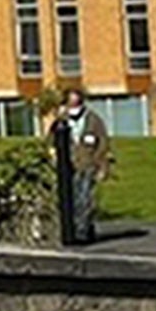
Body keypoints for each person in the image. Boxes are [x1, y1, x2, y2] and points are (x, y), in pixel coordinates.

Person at [52, 90, 111, 245]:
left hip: (87, 165)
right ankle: (77, 229)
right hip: (67, 168)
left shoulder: (94, 120)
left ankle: (82, 232)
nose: (73, 107)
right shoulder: (61, 121)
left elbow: (103, 143)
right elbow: (51, 141)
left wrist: (102, 166)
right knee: (70, 200)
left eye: (76, 103)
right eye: (70, 103)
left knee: (84, 198)